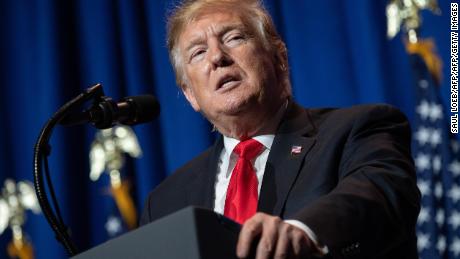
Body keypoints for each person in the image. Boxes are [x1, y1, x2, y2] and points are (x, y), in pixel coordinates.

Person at [140, 0, 421, 258]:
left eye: (233, 38)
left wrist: (304, 231)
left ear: (279, 58)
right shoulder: (164, 203)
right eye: (198, 52)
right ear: (190, 94)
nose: (217, 57)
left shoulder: (357, 129)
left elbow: (379, 195)